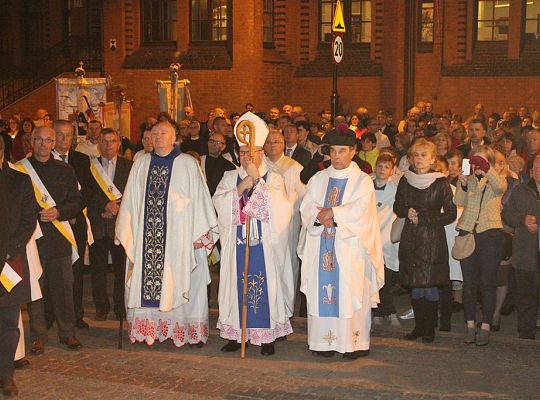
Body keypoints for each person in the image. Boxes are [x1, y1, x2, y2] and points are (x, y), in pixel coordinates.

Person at [116, 121, 217, 347]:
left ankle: (186, 332)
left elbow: (200, 200)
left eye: (164, 133)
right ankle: (149, 331)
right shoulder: (141, 163)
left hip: (177, 240)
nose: (158, 136)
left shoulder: (188, 164)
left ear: (175, 138)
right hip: (146, 239)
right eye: (154, 133)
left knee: (179, 281)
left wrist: (201, 233)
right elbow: (131, 200)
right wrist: (124, 228)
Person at [213, 112, 294, 356]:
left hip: (265, 245)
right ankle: (238, 334)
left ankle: (266, 336)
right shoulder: (229, 177)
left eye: (253, 152)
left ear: (261, 153)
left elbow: (282, 210)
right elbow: (218, 205)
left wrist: (258, 183)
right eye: (243, 153)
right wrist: (240, 188)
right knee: (235, 284)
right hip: (237, 241)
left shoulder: (275, 178)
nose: (247, 157)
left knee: (265, 283)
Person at [299, 129, 385, 359]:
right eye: (333, 151)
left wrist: (332, 213)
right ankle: (324, 343)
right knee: (322, 292)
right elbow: (307, 206)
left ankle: (353, 344)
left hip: (350, 250)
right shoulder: (318, 179)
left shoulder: (362, 181)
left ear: (353, 151)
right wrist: (318, 216)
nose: (336, 157)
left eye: (342, 151)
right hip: (322, 246)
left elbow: (361, 211)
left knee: (350, 292)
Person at [15, 126, 84, 354]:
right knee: (36, 289)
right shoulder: (20, 170)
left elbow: (76, 201)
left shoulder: (65, 170)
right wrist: (35, 214)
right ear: (31, 142)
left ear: (54, 143)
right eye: (39, 140)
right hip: (32, 239)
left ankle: (68, 333)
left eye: (48, 140)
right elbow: (14, 206)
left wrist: (59, 212)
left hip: (59, 238)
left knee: (64, 288)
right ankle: (38, 336)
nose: (44, 144)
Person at [394, 138, 456, 343]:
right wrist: (406, 211)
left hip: (431, 240)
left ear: (432, 159)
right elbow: (397, 206)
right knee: (414, 284)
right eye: (416, 155)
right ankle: (418, 328)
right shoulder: (405, 179)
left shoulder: (440, 182)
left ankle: (429, 329)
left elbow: (450, 214)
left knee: (429, 285)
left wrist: (423, 218)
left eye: (424, 155)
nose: (419, 159)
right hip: (411, 238)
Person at [455, 146, 507, 346]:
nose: (478, 164)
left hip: (489, 234)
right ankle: (469, 326)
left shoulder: (497, 179)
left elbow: (500, 188)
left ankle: (485, 326)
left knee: (487, 284)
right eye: (475, 160)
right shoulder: (469, 179)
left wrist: (487, 170)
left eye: (482, 161)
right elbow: (458, 201)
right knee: (469, 284)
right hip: (468, 232)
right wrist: (463, 184)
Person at [0, 136, 39, 396]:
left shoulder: (19, 181)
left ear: (2, 151)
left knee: (7, 323)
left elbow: (29, 218)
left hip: (8, 262)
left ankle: (5, 376)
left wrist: (11, 248)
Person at [87, 128, 133, 321]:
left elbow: (132, 193)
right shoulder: (90, 166)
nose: (108, 145)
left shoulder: (129, 166)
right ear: (99, 144)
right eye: (104, 142)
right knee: (98, 269)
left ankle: (120, 307)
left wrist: (116, 207)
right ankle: (101, 306)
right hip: (98, 222)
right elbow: (87, 192)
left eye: (112, 141)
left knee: (121, 268)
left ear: (118, 144)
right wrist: (104, 205)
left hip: (120, 224)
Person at [52, 120, 93, 329]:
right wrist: (60, 214)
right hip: (51, 225)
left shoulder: (81, 160)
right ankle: (51, 315)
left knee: (75, 271)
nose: (64, 139)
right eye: (60, 134)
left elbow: (87, 190)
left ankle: (76, 313)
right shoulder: (39, 162)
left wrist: (72, 212)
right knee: (51, 270)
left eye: (68, 135)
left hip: (76, 222)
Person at [263, 130, 306, 306]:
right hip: (264, 221)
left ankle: (286, 305)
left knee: (287, 261)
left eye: (276, 142)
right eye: (269, 142)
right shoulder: (259, 165)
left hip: (288, 223)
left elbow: (303, 194)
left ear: (283, 145)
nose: (272, 145)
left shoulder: (293, 167)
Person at [502, 155, 540, 340]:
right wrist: (523, 219)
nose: (539, 169)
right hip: (526, 253)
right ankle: (526, 337)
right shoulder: (520, 191)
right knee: (526, 298)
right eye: (536, 165)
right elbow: (507, 215)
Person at [371, 154, 400, 327]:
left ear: (392, 170)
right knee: (372, 276)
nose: (382, 170)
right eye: (380, 166)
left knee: (386, 276)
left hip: (386, 237)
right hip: (369, 236)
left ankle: (384, 310)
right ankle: (382, 311)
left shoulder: (395, 189)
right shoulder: (366, 185)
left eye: (386, 167)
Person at [200, 132, 236, 196]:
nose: (213, 144)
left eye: (217, 142)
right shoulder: (199, 161)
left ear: (223, 147)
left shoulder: (229, 167)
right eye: (211, 141)